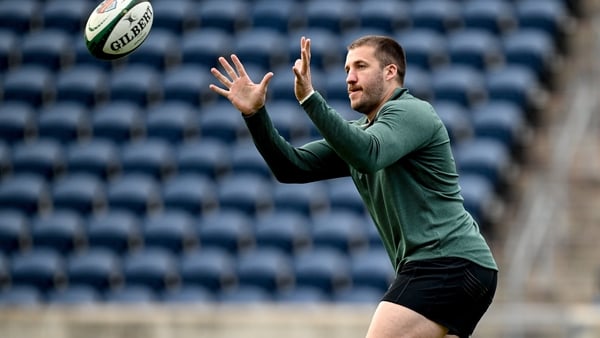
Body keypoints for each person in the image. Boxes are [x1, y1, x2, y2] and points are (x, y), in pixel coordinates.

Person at [209, 35, 498, 338]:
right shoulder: (362, 133)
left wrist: (310, 99)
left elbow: (368, 155)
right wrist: (255, 115)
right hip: (462, 269)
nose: (349, 78)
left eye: (360, 66)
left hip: (445, 262)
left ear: (390, 72)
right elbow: (290, 166)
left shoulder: (412, 112)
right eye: (347, 69)